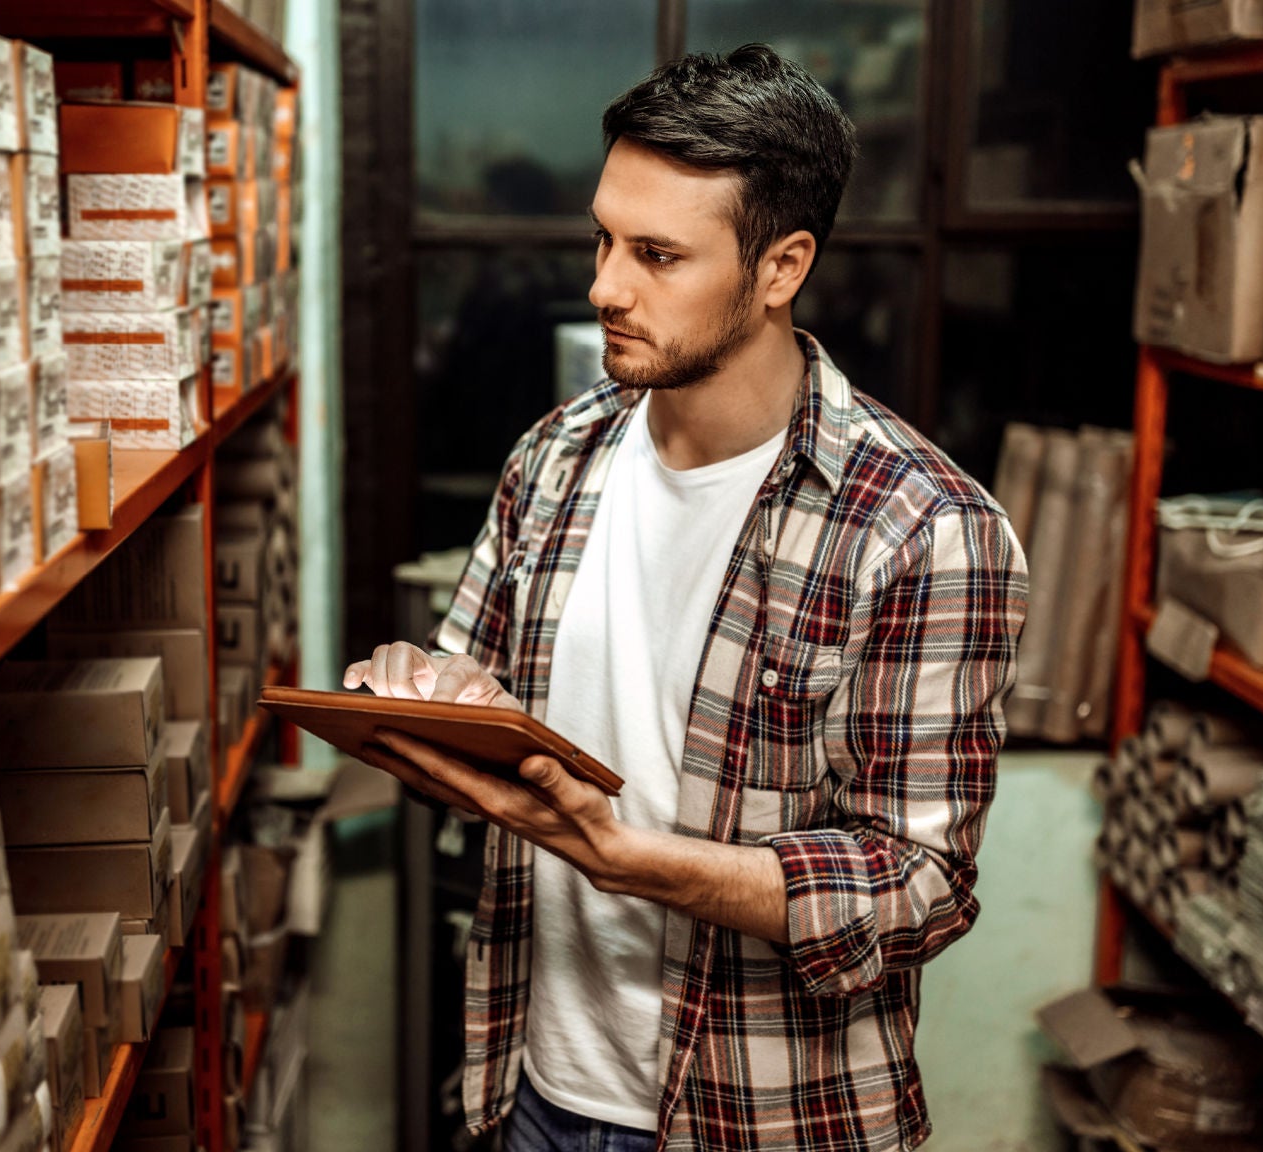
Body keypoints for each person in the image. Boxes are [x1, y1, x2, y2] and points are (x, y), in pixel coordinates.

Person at [345, 46, 1029, 1152]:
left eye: (657, 255)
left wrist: (633, 863)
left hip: (758, 1118)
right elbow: (480, 688)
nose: (603, 286)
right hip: (530, 1086)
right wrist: (433, 691)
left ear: (779, 267)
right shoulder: (556, 455)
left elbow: (917, 888)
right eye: (602, 240)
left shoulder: (919, 530)